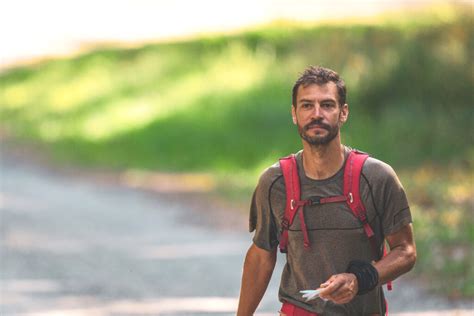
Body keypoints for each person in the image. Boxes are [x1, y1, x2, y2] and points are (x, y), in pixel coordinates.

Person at [237, 66, 416, 316]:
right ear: (294, 114)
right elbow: (260, 256)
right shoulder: (275, 182)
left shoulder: (377, 178)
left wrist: (360, 279)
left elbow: (406, 251)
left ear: (343, 113)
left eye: (327, 105)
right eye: (307, 105)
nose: (316, 114)